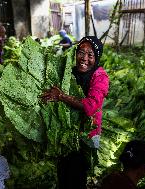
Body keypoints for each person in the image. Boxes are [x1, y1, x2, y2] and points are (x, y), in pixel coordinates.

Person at [42, 36, 109, 189]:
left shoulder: (100, 77)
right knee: (64, 174)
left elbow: (90, 107)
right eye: (81, 52)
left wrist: (61, 96)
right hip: (65, 133)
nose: (84, 58)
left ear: (96, 57)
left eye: (90, 55)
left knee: (77, 176)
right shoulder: (69, 72)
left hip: (87, 136)